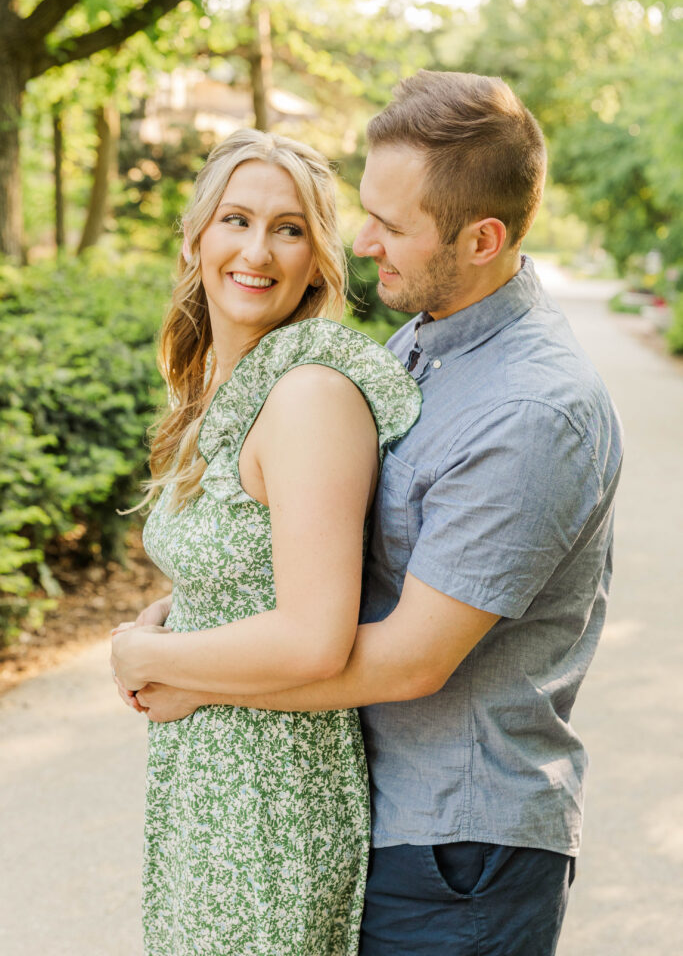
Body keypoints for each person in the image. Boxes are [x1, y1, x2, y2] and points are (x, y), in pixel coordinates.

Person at [118, 72, 623, 956]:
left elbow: (410, 659)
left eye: (389, 225)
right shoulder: (421, 345)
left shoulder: (532, 410)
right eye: (363, 211)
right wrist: (201, 610)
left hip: (462, 850)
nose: (361, 240)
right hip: (388, 814)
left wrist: (180, 669)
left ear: (482, 238)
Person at [110, 127, 421, 956]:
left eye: (288, 229)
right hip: (206, 789)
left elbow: (315, 636)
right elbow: (262, 558)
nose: (258, 249)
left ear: (319, 259)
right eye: (236, 220)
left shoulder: (308, 394)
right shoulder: (226, 383)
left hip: (268, 797)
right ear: (195, 237)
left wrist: (146, 658)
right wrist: (187, 603)